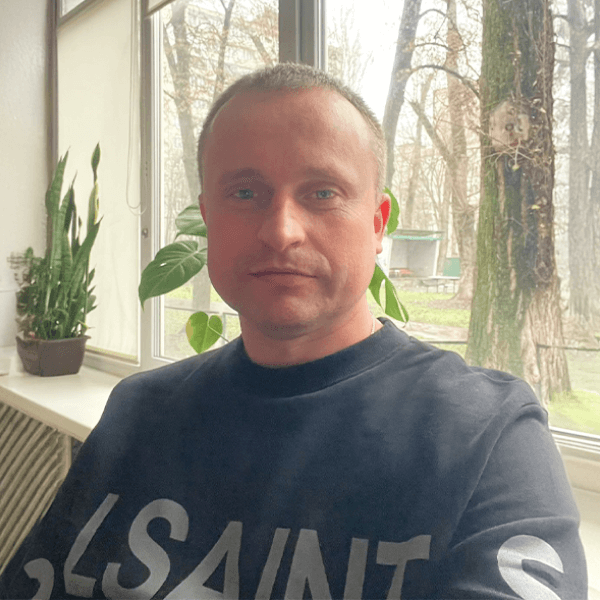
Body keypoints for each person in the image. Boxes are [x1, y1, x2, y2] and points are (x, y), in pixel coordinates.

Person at [0, 63, 587, 599]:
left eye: (323, 193)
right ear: (208, 218)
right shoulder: (139, 412)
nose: (281, 231)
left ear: (377, 224)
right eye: (245, 193)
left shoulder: (488, 436)